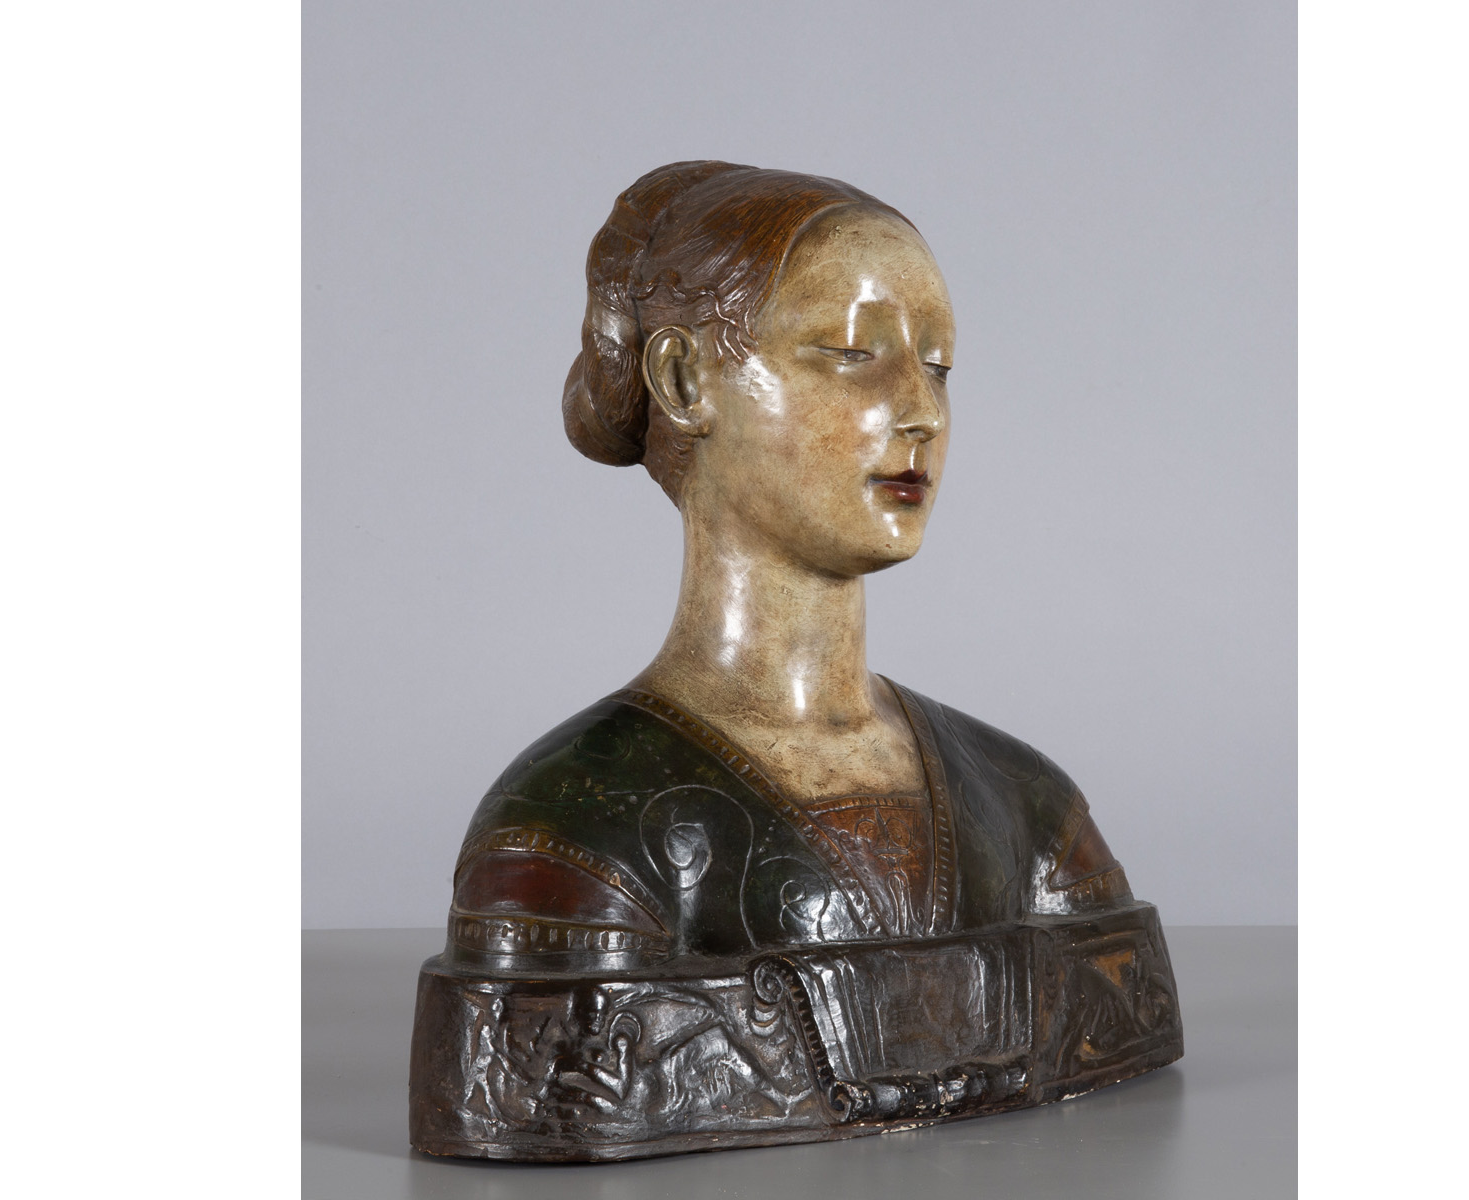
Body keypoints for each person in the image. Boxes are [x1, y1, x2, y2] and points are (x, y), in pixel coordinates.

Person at [411, 164, 1178, 1161]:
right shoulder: (570, 832)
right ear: (685, 383)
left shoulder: (1027, 807)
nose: (921, 411)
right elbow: (537, 1098)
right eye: (852, 355)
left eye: (939, 366)